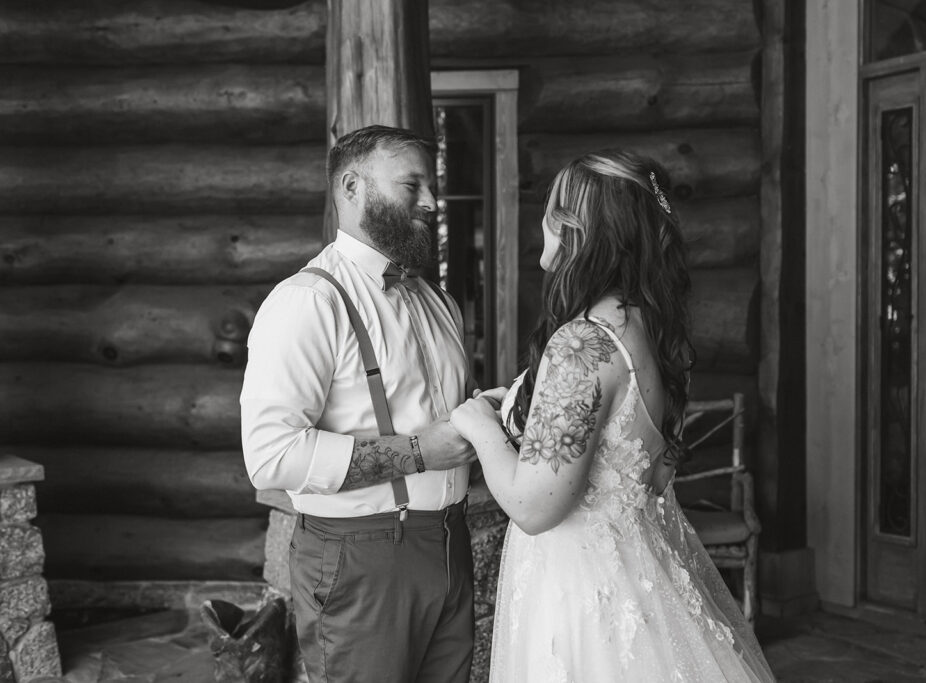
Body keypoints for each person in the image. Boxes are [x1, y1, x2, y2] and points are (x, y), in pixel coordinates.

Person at [449, 150, 776, 681]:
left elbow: (534, 509)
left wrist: (480, 427)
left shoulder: (582, 344)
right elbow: (655, 471)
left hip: (580, 597)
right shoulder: (658, 337)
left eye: (556, 214)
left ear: (585, 231)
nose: (545, 228)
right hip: (639, 574)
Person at [240, 125, 478, 683]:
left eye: (432, 184)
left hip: (450, 541)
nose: (432, 201)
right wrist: (420, 452)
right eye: (411, 184)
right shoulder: (306, 303)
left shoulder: (437, 300)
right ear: (351, 187)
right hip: (360, 559)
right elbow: (271, 458)